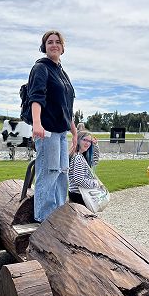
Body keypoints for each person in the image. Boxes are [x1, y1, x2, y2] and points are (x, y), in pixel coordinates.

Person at [27, 29, 77, 222]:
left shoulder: (62, 73)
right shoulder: (41, 68)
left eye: (57, 42)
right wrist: (37, 123)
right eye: (50, 42)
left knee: (62, 172)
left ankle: (58, 213)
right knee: (49, 172)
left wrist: (73, 131)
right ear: (44, 47)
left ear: (63, 48)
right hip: (47, 131)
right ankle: (44, 218)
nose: (54, 44)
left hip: (61, 131)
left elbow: (66, 106)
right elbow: (36, 97)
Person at [68, 130, 100, 207]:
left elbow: (94, 161)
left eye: (89, 141)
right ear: (78, 140)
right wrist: (95, 183)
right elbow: (79, 180)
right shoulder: (78, 157)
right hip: (79, 195)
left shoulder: (79, 155)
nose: (87, 143)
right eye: (85, 140)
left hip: (75, 193)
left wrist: (95, 145)